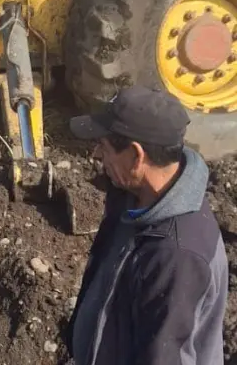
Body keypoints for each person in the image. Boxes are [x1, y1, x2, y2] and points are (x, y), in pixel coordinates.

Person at [65, 85, 227, 365]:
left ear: (137, 156)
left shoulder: (177, 255)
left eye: (103, 146)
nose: (95, 155)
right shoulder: (135, 200)